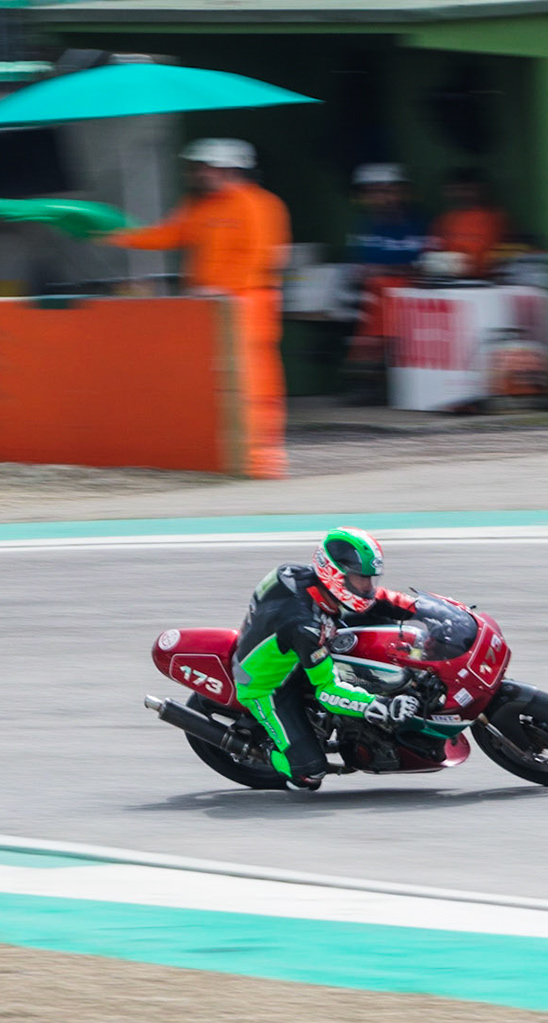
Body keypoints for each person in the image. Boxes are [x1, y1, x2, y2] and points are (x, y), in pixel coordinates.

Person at [104, 138, 290, 480]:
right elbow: (168, 235)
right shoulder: (199, 206)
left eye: (205, 167)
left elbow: (262, 255)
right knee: (215, 381)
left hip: (248, 302)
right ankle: (224, 454)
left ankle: (261, 458)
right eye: (197, 167)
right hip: (210, 305)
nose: (198, 173)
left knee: (254, 381)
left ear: (230, 168)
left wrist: (227, 291)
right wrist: (117, 235)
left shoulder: (259, 204)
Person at [232, 527, 422, 789]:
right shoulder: (306, 627)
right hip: (268, 686)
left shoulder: (298, 574)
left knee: (382, 625)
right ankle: (265, 751)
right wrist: (379, 705)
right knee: (309, 775)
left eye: (370, 579)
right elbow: (327, 692)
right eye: (361, 579)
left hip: (294, 649)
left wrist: (421, 608)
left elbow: (377, 600)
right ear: (334, 574)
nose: (368, 587)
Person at [344, 162, 432, 379]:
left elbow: (428, 268)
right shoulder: (365, 226)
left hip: (413, 302)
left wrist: (385, 270)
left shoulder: (420, 224)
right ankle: (367, 369)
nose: (380, 198)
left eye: (387, 191)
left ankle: (371, 367)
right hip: (370, 304)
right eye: (372, 192)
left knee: (384, 287)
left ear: (402, 192)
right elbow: (359, 268)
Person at [430, 167, 509, 279]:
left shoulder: (495, 218)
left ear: (480, 190)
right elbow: (435, 256)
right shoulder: (444, 220)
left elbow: (506, 256)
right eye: (456, 190)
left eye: (467, 189)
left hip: (487, 281)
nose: (462, 194)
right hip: (450, 281)